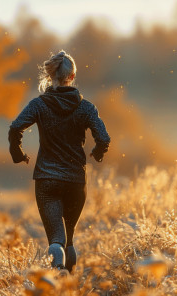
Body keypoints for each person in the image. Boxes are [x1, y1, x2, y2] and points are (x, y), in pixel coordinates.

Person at [8, 50, 110, 273]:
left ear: (51, 76)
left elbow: (16, 127)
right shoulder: (86, 108)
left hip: (47, 179)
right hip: (75, 180)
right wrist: (98, 152)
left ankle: (58, 271)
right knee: (69, 237)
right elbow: (103, 138)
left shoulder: (39, 105)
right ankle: (69, 288)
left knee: (56, 238)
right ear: (72, 76)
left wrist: (18, 154)